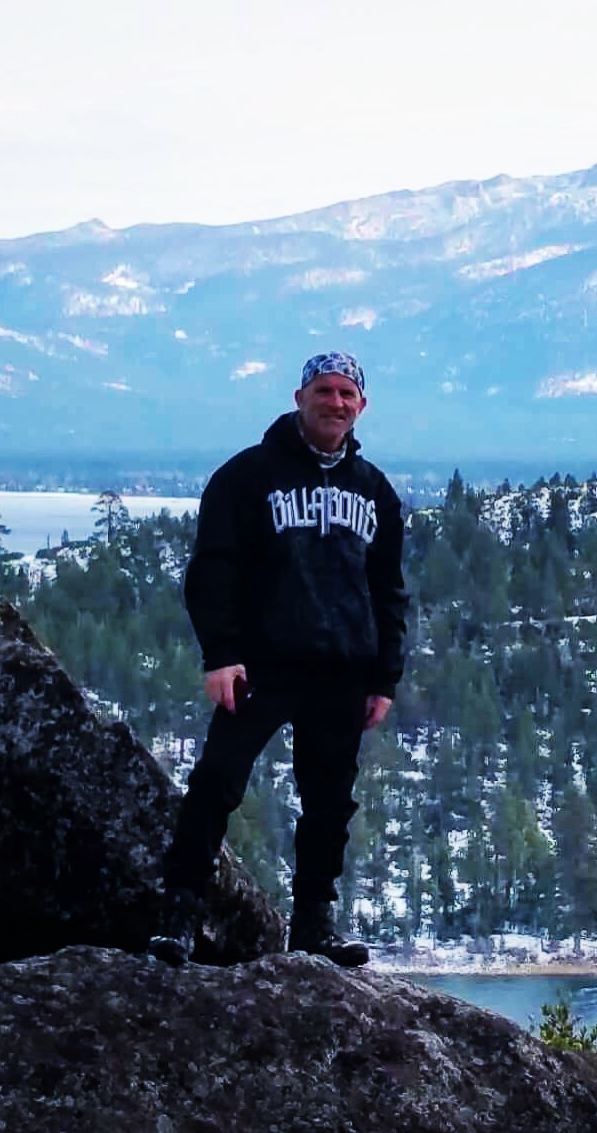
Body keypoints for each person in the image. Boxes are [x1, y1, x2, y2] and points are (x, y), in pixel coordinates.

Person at [148, 351, 409, 969]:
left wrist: (384, 677)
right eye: (324, 390)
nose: (335, 402)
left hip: (343, 671)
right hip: (260, 667)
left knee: (329, 804)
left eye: (347, 394)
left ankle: (313, 926)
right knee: (216, 782)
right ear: (300, 398)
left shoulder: (374, 490)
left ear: (362, 407)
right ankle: (178, 915)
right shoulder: (246, 477)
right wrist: (222, 655)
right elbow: (212, 572)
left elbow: (388, 590)